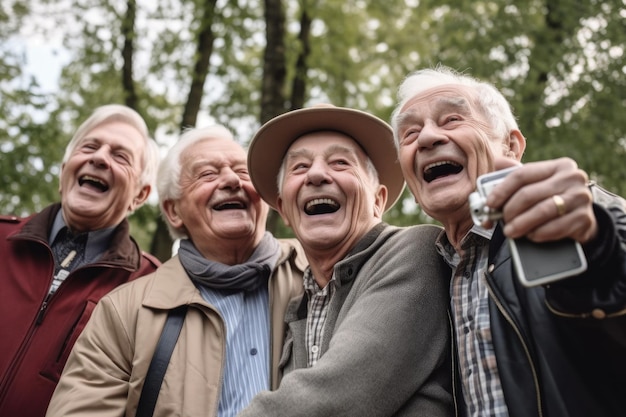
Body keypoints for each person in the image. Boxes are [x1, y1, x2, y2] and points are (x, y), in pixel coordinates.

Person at [391, 65, 626, 417]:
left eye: (452, 119)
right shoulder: (423, 269)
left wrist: (597, 244)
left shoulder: (586, 215)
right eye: (409, 134)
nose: (426, 138)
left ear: (511, 146)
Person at [46, 125, 307, 417]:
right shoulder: (123, 311)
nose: (232, 180)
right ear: (173, 211)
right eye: (207, 173)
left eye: (243, 172)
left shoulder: (321, 271)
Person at [237, 104, 454, 416]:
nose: (315, 174)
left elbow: (335, 397)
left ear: (378, 200)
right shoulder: (299, 304)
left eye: (340, 163)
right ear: (284, 209)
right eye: (299, 168)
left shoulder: (414, 250)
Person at [0, 104, 161, 416]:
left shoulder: (151, 287)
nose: (99, 158)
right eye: (90, 146)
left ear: (140, 196)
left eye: (120, 156)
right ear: (64, 171)